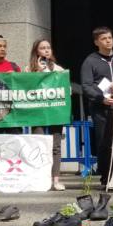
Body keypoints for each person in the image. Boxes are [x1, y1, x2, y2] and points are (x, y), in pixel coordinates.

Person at [80, 27, 113, 188]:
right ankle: (106, 178)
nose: (108, 41)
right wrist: (101, 99)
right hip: (101, 109)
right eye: (104, 38)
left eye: (110, 37)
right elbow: (86, 86)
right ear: (96, 42)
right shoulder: (90, 61)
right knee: (104, 142)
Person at [29, 38, 68, 190]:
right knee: (38, 143)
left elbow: (66, 89)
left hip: (55, 112)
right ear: (36, 52)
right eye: (42, 48)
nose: (46, 50)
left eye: (48, 47)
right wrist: (38, 72)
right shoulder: (29, 69)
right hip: (37, 112)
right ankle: (40, 179)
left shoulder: (58, 69)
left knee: (55, 146)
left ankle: (55, 180)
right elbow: (26, 88)